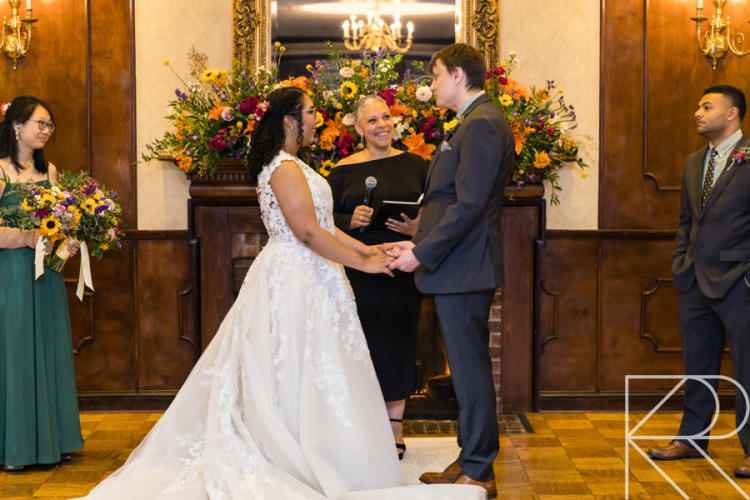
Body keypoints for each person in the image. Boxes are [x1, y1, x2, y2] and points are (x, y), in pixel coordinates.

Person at [76, 87, 483, 499]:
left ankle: (320, 444)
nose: (315, 120)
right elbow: (305, 233)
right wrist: (363, 263)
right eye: (309, 113)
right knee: (292, 363)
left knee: (317, 364)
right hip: (294, 277)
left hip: (315, 274)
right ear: (290, 119)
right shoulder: (284, 167)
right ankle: (287, 450)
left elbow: (323, 224)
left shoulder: (295, 165)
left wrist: (370, 249)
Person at [388, 43, 515, 498]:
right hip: (456, 265)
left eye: (437, 75)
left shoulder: (481, 124)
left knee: (470, 370)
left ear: (459, 75)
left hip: (464, 267)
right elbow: (448, 204)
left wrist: (422, 254)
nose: (433, 85)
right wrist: (418, 239)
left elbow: (470, 206)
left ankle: (480, 466)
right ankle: (468, 457)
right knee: (464, 371)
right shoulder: (470, 123)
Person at [647, 85, 750, 476]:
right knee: (698, 366)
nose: (697, 112)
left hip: (740, 281)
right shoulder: (694, 163)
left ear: (732, 114)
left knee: (749, 368)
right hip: (693, 281)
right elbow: (687, 223)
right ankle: (691, 440)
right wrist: (681, 263)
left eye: (706, 106)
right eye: (697, 104)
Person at [327, 95, 428, 461]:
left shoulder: (417, 164)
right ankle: (359, 424)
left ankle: (394, 426)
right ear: (357, 127)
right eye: (372, 120)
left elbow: (437, 208)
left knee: (399, 341)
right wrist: (348, 220)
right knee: (359, 343)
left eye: (386, 117)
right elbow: (323, 220)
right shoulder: (340, 171)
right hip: (357, 268)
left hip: (403, 267)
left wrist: (419, 227)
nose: (382, 125)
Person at [0, 96, 84, 471]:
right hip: (10, 275)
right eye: (41, 123)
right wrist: (27, 237)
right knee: (16, 352)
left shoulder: (49, 171)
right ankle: (15, 446)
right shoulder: (0, 171)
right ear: (16, 126)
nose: (47, 130)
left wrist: (69, 239)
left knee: (48, 349)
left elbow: (59, 220)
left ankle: (54, 439)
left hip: (45, 277)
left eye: (50, 125)